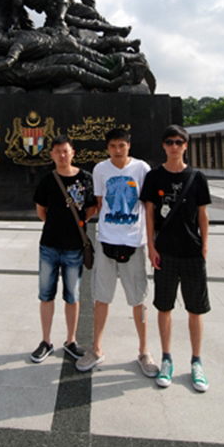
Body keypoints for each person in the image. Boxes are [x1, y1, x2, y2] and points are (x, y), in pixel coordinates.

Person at [75, 129, 158, 378]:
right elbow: (101, 203)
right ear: (107, 148)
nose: (117, 150)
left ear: (129, 146)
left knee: (138, 300)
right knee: (101, 298)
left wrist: (151, 243)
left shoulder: (142, 169)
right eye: (113, 146)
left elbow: (148, 206)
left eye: (121, 145)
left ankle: (144, 351)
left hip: (134, 242)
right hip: (107, 241)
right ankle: (96, 348)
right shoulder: (100, 170)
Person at [140, 125, 211, 392]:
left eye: (178, 142)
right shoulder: (154, 176)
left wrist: (205, 247)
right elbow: (149, 213)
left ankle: (196, 361)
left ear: (185, 146)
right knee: (164, 306)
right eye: (169, 141)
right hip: (165, 251)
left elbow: (203, 215)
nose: (174, 146)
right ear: (163, 145)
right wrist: (151, 246)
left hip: (192, 252)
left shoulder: (197, 177)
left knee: (195, 309)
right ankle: (166, 358)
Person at [31, 135, 97, 363]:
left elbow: (91, 208)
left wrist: (76, 223)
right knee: (46, 294)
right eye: (57, 151)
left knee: (72, 296)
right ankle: (46, 341)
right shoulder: (47, 180)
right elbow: (41, 211)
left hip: (74, 247)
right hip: (49, 245)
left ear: (72, 153)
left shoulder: (85, 178)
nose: (62, 155)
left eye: (65, 151)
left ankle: (71, 340)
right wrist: (57, 224)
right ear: (51, 154)